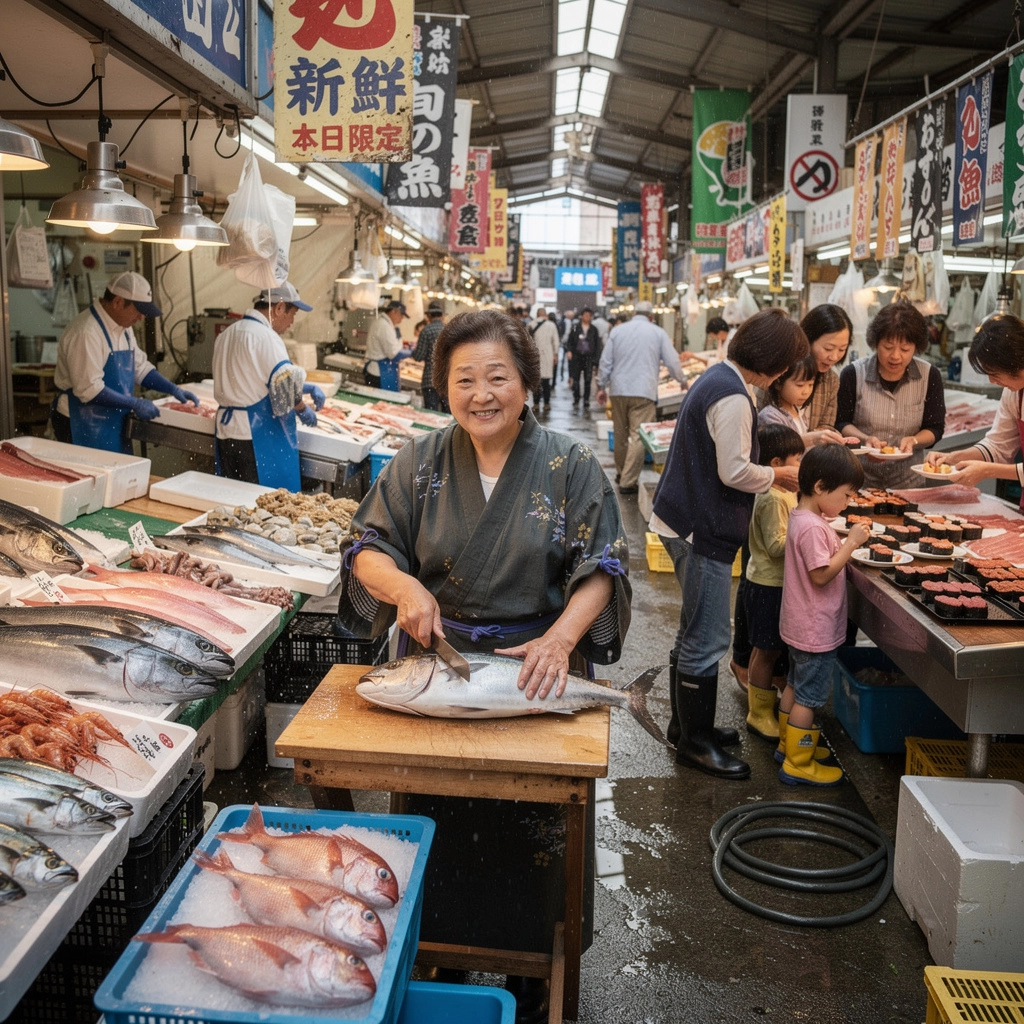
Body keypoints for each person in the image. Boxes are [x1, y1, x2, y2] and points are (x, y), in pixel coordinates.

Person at [334, 309, 630, 1021]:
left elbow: (603, 567)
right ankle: (443, 948)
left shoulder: (570, 464)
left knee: (535, 829)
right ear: (444, 387)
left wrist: (561, 638)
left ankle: (533, 967)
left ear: (527, 382)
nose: (481, 394)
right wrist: (404, 588)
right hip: (432, 673)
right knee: (441, 821)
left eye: (497, 376)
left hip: (535, 675)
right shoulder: (419, 461)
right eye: (464, 379)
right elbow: (365, 548)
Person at [651, 307, 806, 779]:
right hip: (701, 530)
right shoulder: (734, 395)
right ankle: (695, 744)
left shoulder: (720, 377)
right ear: (772, 360)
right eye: (785, 363)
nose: (785, 372)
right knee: (708, 636)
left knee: (693, 630)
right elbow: (734, 471)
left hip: (686, 520)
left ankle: (686, 726)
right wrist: (779, 475)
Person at [778, 444, 870, 786]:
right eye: (846, 495)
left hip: (799, 624)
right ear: (819, 487)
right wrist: (851, 543)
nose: (847, 502)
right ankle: (798, 763)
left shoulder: (802, 517)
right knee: (809, 698)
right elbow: (821, 574)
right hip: (815, 630)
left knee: (794, 684)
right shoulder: (814, 528)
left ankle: (788, 745)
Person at [52, 271, 198, 454]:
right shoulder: (86, 332)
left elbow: (140, 368)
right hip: (79, 421)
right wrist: (134, 403)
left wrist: (172, 389)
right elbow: (89, 389)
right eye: (139, 310)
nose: (142, 317)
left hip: (112, 419)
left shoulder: (124, 327)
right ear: (118, 302)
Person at [212, 282, 322, 492]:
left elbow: (250, 377)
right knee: (261, 501)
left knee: (233, 497)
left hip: (226, 432)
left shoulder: (228, 333)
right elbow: (285, 386)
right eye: (293, 314)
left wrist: (304, 386)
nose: (291, 323)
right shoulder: (266, 336)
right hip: (256, 436)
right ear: (279, 308)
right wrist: (302, 409)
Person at [836, 300, 945, 489]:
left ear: (916, 347)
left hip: (908, 482)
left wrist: (914, 440)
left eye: (905, 349)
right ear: (875, 343)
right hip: (858, 479)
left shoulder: (929, 375)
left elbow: (935, 428)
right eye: (888, 347)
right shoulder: (853, 374)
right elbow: (841, 422)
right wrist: (865, 440)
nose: (895, 356)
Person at [743, 423, 804, 743]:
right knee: (766, 651)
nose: (802, 465)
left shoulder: (783, 493)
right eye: (798, 459)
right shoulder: (773, 498)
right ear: (777, 464)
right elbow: (776, 546)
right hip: (769, 585)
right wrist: (805, 533)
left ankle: (761, 707)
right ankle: (759, 713)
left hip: (767, 582)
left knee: (764, 648)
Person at [925, 313, 1024, 497]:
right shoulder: (1013, 392)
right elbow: (998, 445)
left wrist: (987, 470)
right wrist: (954, 457)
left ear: (1016, 363)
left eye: (994, 373)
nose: (992, 381)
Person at [595, 300, 685, 495]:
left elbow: (606, 361)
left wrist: (601, 386)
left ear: (634, 313)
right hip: (644, 391)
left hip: (618, 390)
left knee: (620, 434)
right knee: (638, 435)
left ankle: (621, 473)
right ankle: (627, 482)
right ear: (651, 316)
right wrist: (682, 380)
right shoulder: (658, 332)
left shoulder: (618, 331)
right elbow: (672, 361)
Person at [798, 304, 854, 443]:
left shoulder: (831, 380)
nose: (834, 357)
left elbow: (827, 425)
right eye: (828, 348)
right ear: (808, 339)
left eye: (842, 349)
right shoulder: (781, 371)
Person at [758, 353, 818, 437]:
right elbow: (783, 444)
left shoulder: (797, 410)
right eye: (800, 385)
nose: (806, 392)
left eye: (810, 384)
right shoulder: (770, 416)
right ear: (778, 383)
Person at [365, 299, 409, 390]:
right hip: (379, 373)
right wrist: (411, 352)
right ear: (393, 311)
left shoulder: (385, 324)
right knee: (381, 398)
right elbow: (393, 354)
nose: (402, 318)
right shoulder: (384, 326)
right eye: (401, 315)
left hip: (382, 371)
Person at [412, 302, 445, 411]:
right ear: (442, 315)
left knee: (431, 413)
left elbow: (418, 356)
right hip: (447, 380)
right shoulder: (449, 330)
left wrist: (411, 352)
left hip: (429, 380)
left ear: (429, 316)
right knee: (448, 414)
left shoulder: (426, 331)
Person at [566, 306, 600, 410]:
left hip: (588, 357)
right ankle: (576, 398)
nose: (587, 317)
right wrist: (569, 350)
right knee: (576, 379)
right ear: (582, 316)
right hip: (577, 356)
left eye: (589, 316)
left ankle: (586, 399)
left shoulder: (594, 329)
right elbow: (570, 340)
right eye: (586, 315)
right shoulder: (575, 327)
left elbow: (597, 345)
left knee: (588, 379)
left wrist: (596, 360)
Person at [530, 306, 560, 414]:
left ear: (537, 314)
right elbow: (556, 341)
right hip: (548, 355)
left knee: (536, 381)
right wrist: (555, 354)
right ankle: (547, 403)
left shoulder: (531, 324)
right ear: (545, 314)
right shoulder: (551, 325)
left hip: (535, 355)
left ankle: (536, 403)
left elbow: (527, 341)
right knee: (546, 382)